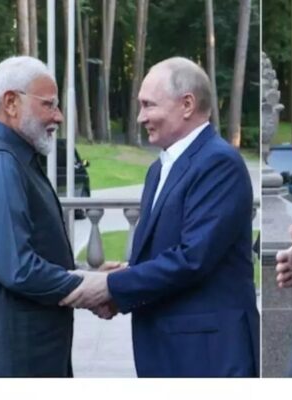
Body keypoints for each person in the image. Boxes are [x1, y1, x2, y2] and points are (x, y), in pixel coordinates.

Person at [60, 57, 260, 377]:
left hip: (208, 355)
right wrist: (130, 275)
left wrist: (112, 286)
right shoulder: (159, 168)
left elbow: (192, 259)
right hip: (170, 348)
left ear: (187, 104)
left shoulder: (219, 163)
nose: (141, 117)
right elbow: (171, 249)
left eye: (148, 105)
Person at [0, 56, 84, 377]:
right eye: (49, 104)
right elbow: (17, 267)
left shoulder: (6, 155)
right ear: (11, 103)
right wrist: (87, 286)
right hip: (12, 361)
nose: (58, 116)